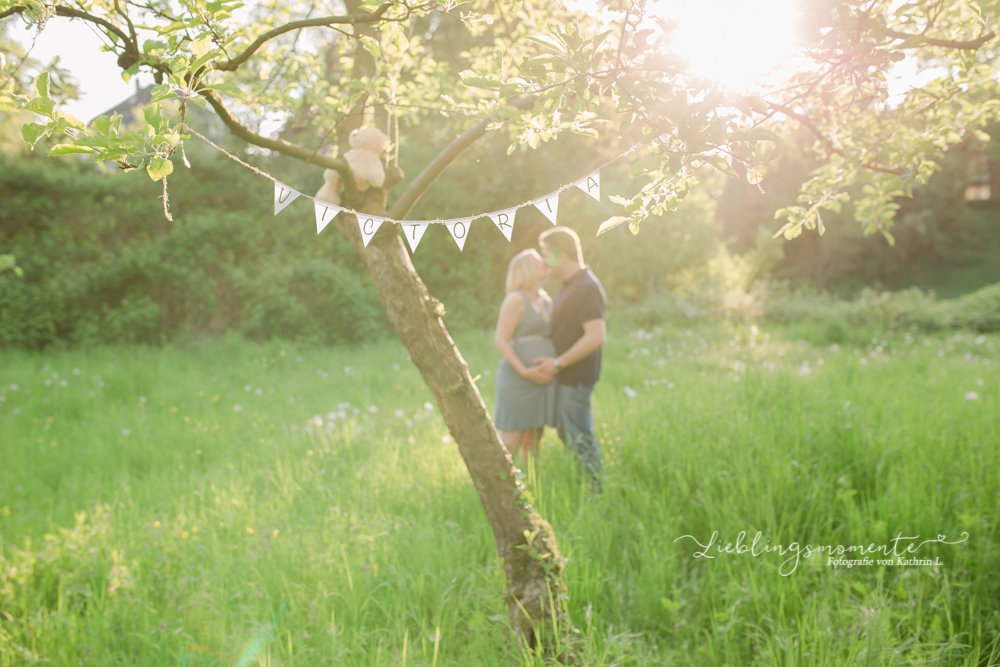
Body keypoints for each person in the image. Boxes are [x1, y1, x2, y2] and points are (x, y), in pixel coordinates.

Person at [533, 227, 607, 491]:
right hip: (565, 377)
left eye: (545, 254)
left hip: (576, 378)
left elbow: (596, 336)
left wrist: (557, 363)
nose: (543, 261)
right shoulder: (569, 286)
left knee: (580, 437)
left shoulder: (586, 287)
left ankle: (596, 496)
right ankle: (584, 487)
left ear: (559, 254)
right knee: (568, 434)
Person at [493, 249, 557, 464]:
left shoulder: (546, 299)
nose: (545, 262)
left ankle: (530, 485)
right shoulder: (515, 299)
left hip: (541, 379)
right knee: (511, 437)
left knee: (535, 434)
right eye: (538, 261)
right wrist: (525, 371)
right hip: (518, 379)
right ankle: (502, 486)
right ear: (526, 270)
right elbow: (501, 340)